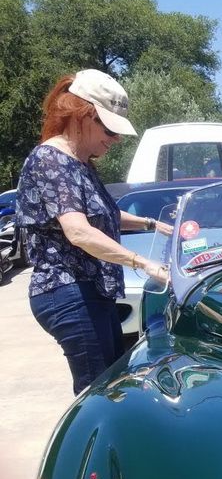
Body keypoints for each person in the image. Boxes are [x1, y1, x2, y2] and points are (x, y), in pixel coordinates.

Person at [16, 69, 170, 394]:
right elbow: (79, 232)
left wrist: (152, 223)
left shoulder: (80, 163)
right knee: (98, 392)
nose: (115, 139)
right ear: (82, 114)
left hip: (91, 290)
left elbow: (104, 215)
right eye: (110, 129)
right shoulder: (51, 160)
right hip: (68, 290)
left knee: (113, 382)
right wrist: (143, 262)